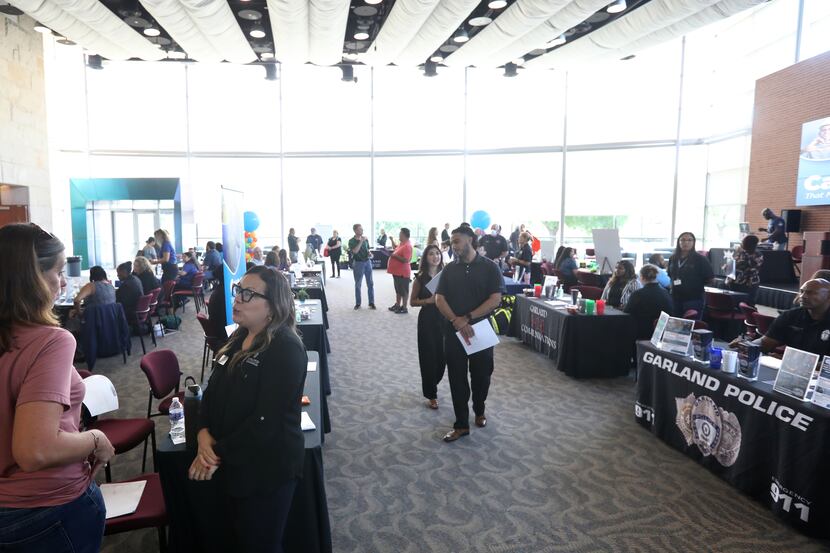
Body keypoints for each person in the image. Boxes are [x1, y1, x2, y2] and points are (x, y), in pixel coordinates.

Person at [0, 223, 115, 551]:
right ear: (30, 277)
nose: (63, 282)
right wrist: (96, 438)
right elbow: (36, 450)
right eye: (58, 271)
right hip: (48, 507)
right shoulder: (51, 341)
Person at [191, 266, 306, 552]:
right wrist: (203, 433)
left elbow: (265, 423)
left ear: (273, 306)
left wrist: (213, 454)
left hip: (266, 468)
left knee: (259, 543)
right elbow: (211, 389)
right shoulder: (237, 337)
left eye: (247, 293)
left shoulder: (286, 348)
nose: (237, 299)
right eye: (237, 290)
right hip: (231, 458)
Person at [435, 225, 503, 443]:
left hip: (480, 330)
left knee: (482, 375)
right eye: (452, 242)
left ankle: (479, 410)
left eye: (456, 241)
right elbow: (439, 298)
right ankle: (461, 424)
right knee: (456, 377)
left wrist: (469, 317)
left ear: (470, 240)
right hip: (454, 331)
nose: (453, 245)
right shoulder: (448, 269)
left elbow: (495, 299)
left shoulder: (490, 267)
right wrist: (456, 321)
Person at [731, 279, 830, 356]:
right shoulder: (790, 316)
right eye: (802, 291)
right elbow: (766, 342)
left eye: (810, 293)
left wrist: (793, 363)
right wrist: (748, 345)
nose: (802, 296)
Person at [410, 244, 446, 409]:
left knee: (442, 358)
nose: (435, 256)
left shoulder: (446, 276)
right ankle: (431, 393)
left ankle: (434, 382)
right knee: (428, 358)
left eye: (437, 253)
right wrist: (428, 301)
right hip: (427, 320)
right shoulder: (421, 277)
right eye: (431, 254)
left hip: (445, 318)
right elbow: (412, 301)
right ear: (426, 258)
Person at [667, 232, 714, 319]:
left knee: (692, 326)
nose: (686, 242)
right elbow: (670, 275)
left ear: (694, 242)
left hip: (693, 298)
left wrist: (695, 284)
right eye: (683, 240)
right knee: (676, 326)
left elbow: (710, 278)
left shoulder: (700, 259)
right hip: (675, 298)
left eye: (689, 240)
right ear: (678, 242)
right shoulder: (673, 258)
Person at [625, 264, 674, 340]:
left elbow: (627, 312)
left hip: (642, 333)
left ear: (641, 277)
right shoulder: (666, 293)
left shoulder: (637, 294)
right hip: (662, 332)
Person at [726, 234, 763, 305]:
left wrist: (738, 262)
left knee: (749, 304)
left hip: (749, 283)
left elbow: (751, 266)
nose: (741, 243)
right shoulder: (739, 252)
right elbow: (732, 263)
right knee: (734, 303)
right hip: (736, 282)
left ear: (749, 244)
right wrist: (727, 266)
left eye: (743, 241)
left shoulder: (758, 254)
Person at [349, 224, 376, 310]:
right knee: (358, 284)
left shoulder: (366, 239)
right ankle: (358, 303)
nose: (362, 230)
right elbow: (355, 251)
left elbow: (367, 250)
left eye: (362, 229)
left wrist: (369, 253)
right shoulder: (351, 241)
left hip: (367, 262)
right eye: (360, 229)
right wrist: (361, 241)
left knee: (370, 283)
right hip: (358, 264)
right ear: (355, 231)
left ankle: (371, 302)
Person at [387, 228, 414, 314]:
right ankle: (398, 305)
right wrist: (391, 240)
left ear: (404, 235)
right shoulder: (402, 244)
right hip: (396, 271)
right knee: (398, 290)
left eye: (400, 234)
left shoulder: (407, 246)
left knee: (404, 291)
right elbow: (396, 248)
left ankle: (404, 307)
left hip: (403, 272)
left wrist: (393, 256)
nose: (399, 235)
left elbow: (406, 260)